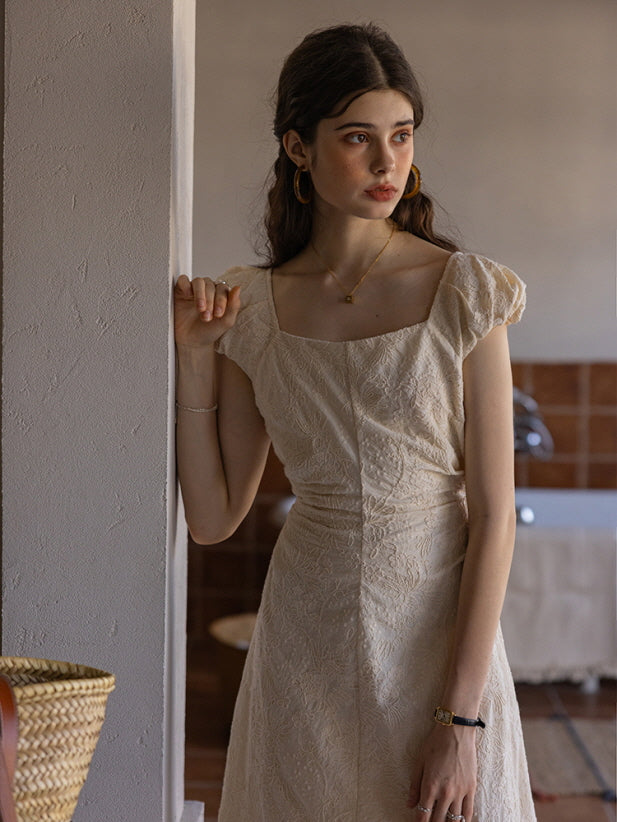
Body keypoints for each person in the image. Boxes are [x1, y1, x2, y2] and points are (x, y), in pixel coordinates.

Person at [174, 23, 536, 822]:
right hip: (306, 638)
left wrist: (460, 720)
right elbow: (210, 517)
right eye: (356, 138)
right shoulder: (254, 309)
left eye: (400, 137)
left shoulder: (463, 291)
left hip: (436, 641)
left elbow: (496, 516)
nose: (386, 163)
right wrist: (196, 358)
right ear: (297, 149)